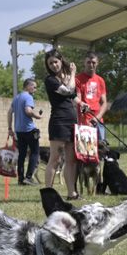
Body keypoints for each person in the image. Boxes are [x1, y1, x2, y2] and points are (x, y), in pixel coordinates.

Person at [42, 49, 80, 199]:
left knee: (71, 159)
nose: (53, 65)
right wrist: (73, 73)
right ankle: (48, 194)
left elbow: (73, 95)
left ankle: (72, 193)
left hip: (71, 120)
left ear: (60, 60)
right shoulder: (50, 80)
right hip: (58, 121)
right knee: (55, 159)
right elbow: (68, 90)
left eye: (55, 62)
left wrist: (82, 104)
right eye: (50, 63)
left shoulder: (65, 77)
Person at [8, 77, 44, 185]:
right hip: (29, 130)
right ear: (28, 86)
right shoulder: (28, 97)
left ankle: (20, 179)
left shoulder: (17, 97)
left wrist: (9, 128)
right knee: (35, 153)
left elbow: (9, 112)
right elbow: (28, 111)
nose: (35, 89)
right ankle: (28, 178)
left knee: (22, 155)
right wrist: (36, 116)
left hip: (19, 131)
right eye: (34, 86)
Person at [74, 51, 109, 141]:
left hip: (98, 120)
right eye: (88, 62)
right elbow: (78, 100)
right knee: (85, 152)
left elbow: (104, 103)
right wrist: (84, 121)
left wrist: (97, 117)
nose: (91, 65)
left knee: (102, 150)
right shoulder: (78, 79)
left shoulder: (100, 80)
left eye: (93, 62)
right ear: (84, 63)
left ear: (97, 63)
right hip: (84, 122)